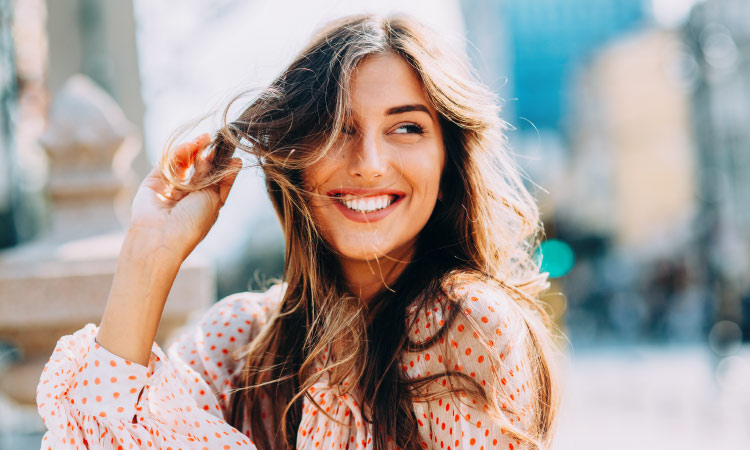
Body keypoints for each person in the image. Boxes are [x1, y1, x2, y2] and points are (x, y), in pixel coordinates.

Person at [36, 14, 561, 450]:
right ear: (295, 163)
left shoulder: (467, 330)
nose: (371, 164)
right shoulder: (237, 344)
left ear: (446, 168)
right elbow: (92, 435)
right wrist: (150, 252)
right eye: (338, 127)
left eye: (406, 127)